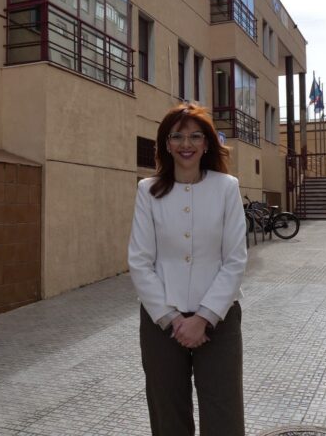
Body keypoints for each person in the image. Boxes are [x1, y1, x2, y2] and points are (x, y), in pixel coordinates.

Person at [128, 103, 248, 436]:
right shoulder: (148, 190)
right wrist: (173, 319)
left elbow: (235, 259)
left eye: (195, 136)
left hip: (219, 319)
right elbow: (139, 260)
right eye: (177, 136)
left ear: (207, 143)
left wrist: (204, 317)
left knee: (223, 415)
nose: (186, 144)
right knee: (168, 414)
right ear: (166, 144)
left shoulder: (226, 187)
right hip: (161, 322)